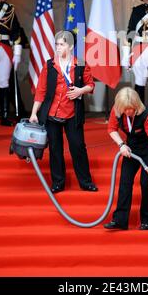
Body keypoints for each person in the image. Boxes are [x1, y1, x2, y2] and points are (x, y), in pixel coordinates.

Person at [29, 30, 98, 193]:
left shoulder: (80, 64)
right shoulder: (49, 65)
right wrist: (33, 113)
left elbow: (91, 85)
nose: (58, 48)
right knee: (55, 149)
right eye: (57, 44)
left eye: (62, 44)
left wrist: (80, 91)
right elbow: (41, 90)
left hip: (72, 113)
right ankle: (58, 182)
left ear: (71, 46)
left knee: (78, 147)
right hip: (52, 113)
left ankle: (85, 182)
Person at [103, 87, 148, 230]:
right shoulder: (117, 110)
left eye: (130, 109)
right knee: (125, 181)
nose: (128, 112)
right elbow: (111, 129)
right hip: (131, 147)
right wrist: (121, 144)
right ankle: (120, 220)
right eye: (125, 109)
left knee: (146, 182)